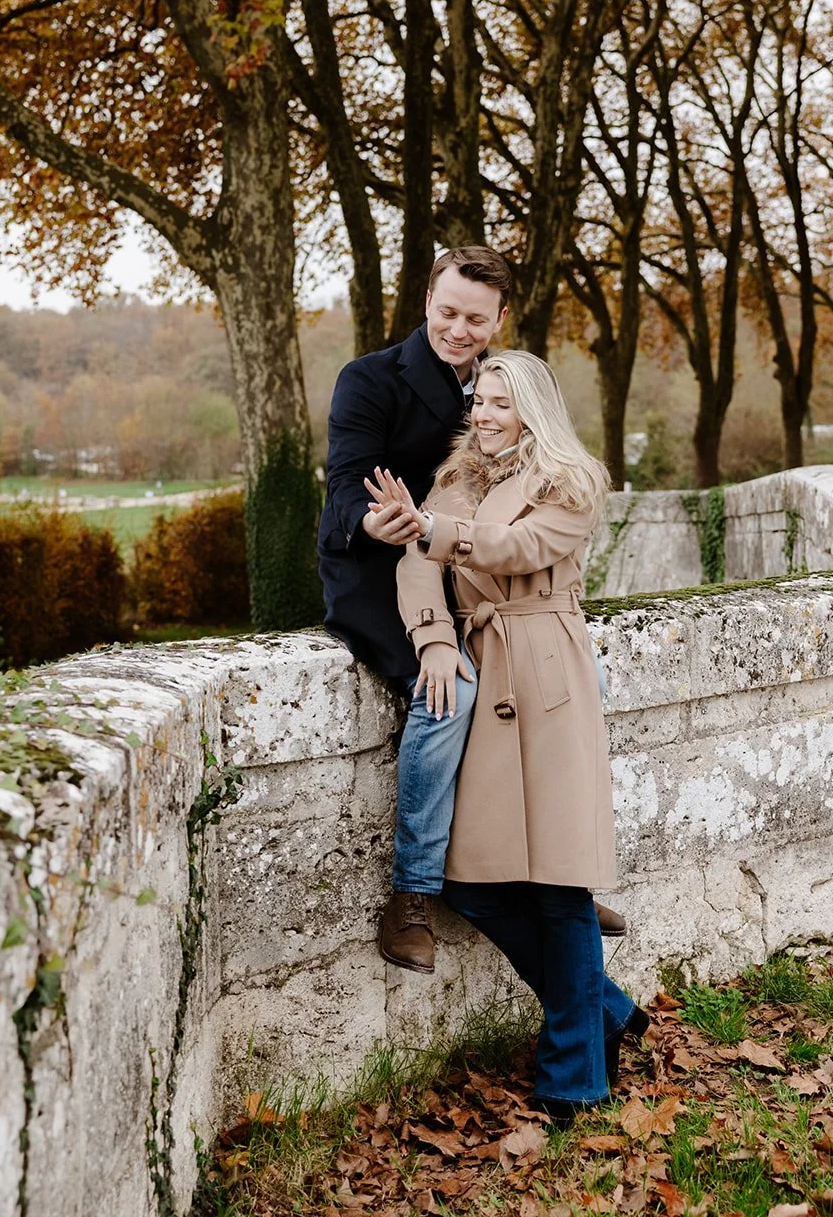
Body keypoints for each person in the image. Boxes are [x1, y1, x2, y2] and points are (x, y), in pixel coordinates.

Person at [318, 249, 626, 975]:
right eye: (446, 312)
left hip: (481, 577)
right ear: (426, 299)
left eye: (474, 319)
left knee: (580, 689)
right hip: (383, 575)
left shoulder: (502, 381)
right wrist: (377, 526)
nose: (457, 329)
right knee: (450, 696)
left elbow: (526, 496)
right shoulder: (367, 380)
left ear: (499, 320)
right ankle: (414, 890)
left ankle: (560, 878)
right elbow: (342, 490)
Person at [375, 350, 648, 1118]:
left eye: (500, 402)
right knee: (471, 879)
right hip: (480, 663)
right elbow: (416, 565)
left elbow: (519, 550)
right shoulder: (459, 476)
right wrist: (431, 636)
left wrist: (432, 529)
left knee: (558, 882)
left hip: (546, 668)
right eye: (479, 402)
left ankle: (574, 1078)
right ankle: (608, 1011)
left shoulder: (572, 480)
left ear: (531, 407)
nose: (485, 415)